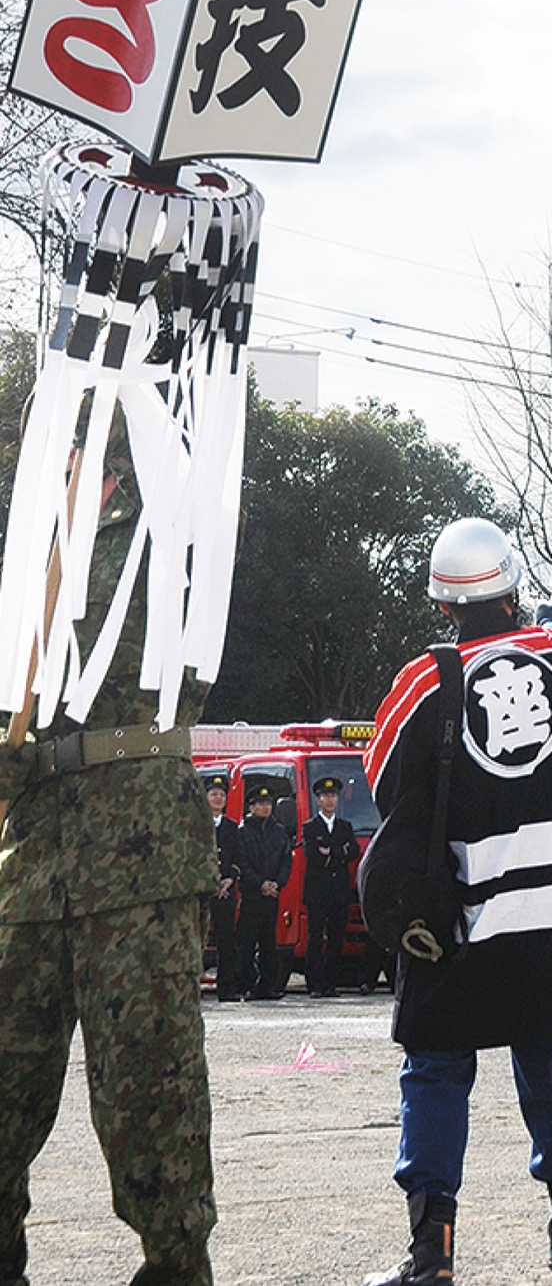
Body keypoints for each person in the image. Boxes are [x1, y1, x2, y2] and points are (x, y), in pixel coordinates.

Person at [362, 517, 552, 1286]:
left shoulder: (425, 679)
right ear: (511, 587)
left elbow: (382, 777)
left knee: (435, 1071)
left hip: (463, 917)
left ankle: (432, 1250)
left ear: (443, 603)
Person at [0, 454, 219, 1286]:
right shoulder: (30, 554)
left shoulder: (167, 540)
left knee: (149, 1092)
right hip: (32, 860)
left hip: (140, 858)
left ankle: (175, 1265)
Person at [302, 772, 357, 997]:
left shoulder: (345, 826)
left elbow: (353, 850)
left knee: (336, 939)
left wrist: (331, 852)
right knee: (315, 939)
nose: (329, 800)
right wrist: (339, 853)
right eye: (325, 796)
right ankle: (314, 985)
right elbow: (313, 854)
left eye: (333, 795)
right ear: (317, 800)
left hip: (339, 892)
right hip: (318, 892)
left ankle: (331, 984)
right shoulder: (310, 827)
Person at [236, 784, 292, 1000]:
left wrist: (277, 883)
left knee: (269, 943)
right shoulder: (243, 831)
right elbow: (241, 861)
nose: (265, 807)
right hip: (252, 895)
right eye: (260, 804)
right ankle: (248, 985)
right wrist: (260, 884)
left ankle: (268, 985)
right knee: (247, 943)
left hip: (272, 896)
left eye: (268, 803)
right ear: (251, 807)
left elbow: (286, 860)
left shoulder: (278, 832)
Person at [207, 771, 241, 1002]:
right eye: (214, 794)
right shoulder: (198, 826)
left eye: (222, 794)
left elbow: (238, 858)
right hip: (203, 892)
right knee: (197, 941)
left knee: (226, 942)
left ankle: (226, 988)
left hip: (226, 892)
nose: (218, 799)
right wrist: (209, 883)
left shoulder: (232, 827)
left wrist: (229, 879)